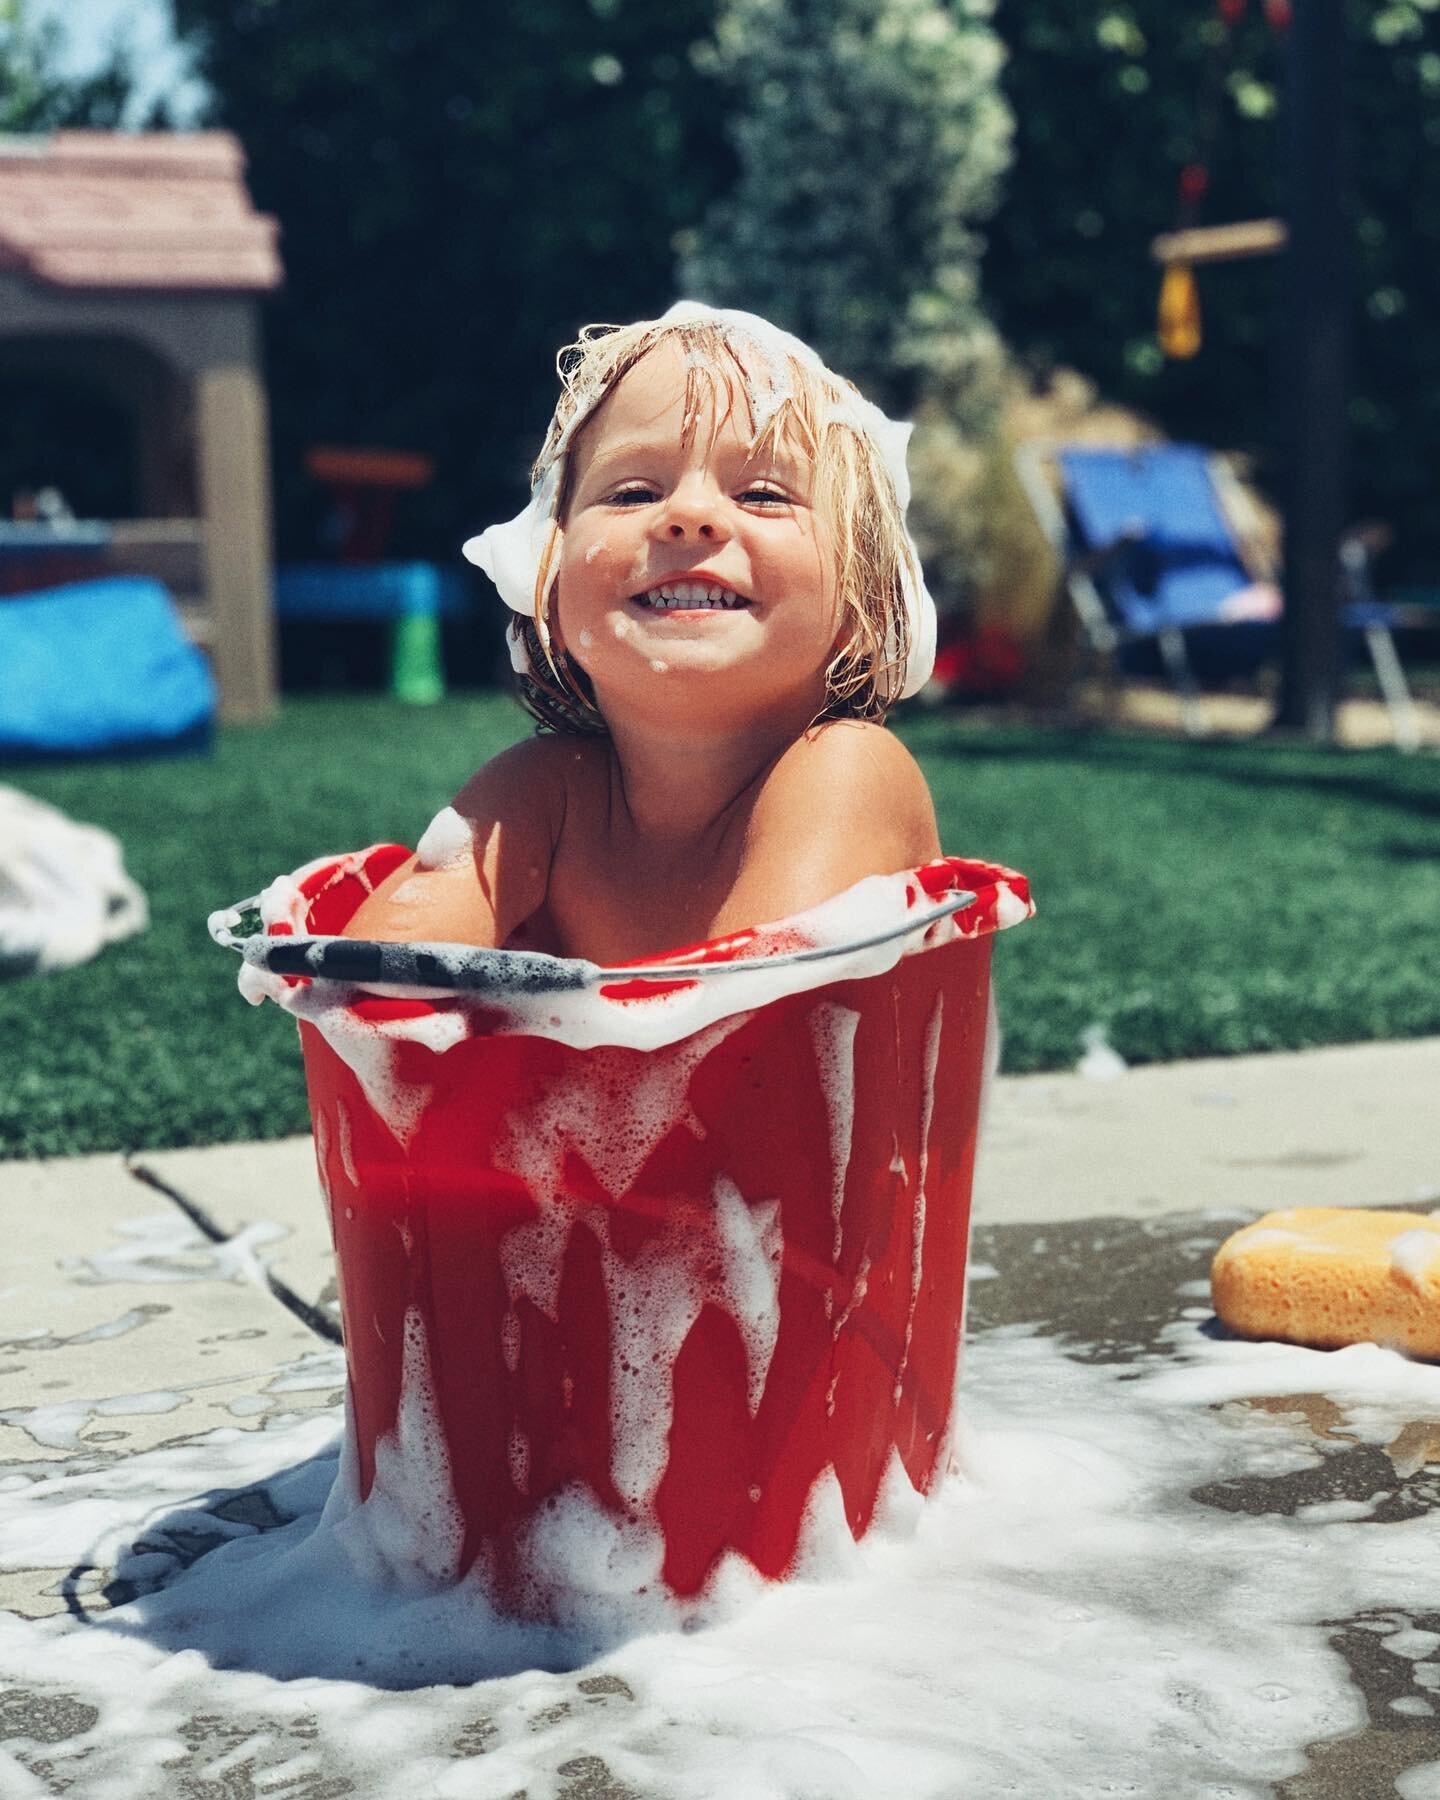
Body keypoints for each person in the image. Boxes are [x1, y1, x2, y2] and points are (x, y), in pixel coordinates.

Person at [342, 302, 941, 965]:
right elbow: (368, 979)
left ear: (864, 611)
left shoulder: (848, 768)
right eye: (631, 493)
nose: (689, 514)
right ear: (546, 582)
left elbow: (752, 1013)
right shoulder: (546, 793)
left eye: (765, 494)